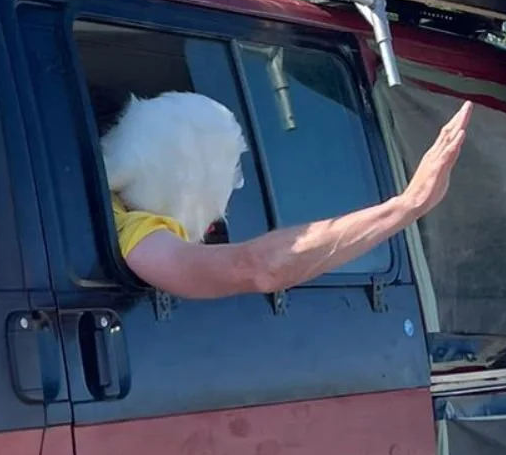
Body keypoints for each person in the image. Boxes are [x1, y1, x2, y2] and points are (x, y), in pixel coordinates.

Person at [101, 88, 470, 298]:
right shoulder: (132, 229)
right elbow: (255, 267)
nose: (236, 186)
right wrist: (405, 206)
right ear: (188, 175)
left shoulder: (93, 206)